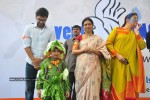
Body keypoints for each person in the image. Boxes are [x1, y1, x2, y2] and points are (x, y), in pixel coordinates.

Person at [106, 12, 146, 100]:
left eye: (137, 18)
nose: (136, 20)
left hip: (131, 66)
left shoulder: (134, 34)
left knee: (131, 89)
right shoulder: (117, 30)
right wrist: (117, 55)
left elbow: (142, 46)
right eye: (134, 18)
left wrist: (137, 32)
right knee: (118, 85)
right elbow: (108, 44)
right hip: (117, 63)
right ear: (127, 20)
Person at [72, 17, 111, 100]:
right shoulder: (79, 38)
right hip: (81, 67)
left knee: (94, 88)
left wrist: (94, 50)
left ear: (93, 26)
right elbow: (74, 51)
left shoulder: (98, 39)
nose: (87, 26)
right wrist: (83, 50)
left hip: (94, 67)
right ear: (83, 27)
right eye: (85, 25)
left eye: (89, 24)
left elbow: (104, 53)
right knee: (81, 89)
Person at [23, 7, 56, 100]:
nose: (41, 21)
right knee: (29, 88)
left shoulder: (51, 30)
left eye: (43, 20)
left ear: (47, 18)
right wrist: (34, 61)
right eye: (39, 19)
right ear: (35, 17)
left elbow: (51, 49)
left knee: (46, 88)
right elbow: (26, 45)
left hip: (45, 64)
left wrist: (41, 59)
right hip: (30, 63)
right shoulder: (28, 28)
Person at [64, 25, 81, 100]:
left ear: (80, 31)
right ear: (72, 31)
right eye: (74, 29)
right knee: (68, 87)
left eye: (77, 29)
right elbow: (63, 54)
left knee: (77, 89)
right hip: (69, 68)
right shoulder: (68, 41)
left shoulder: (83, 41)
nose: (75, 30)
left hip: (80, 69)